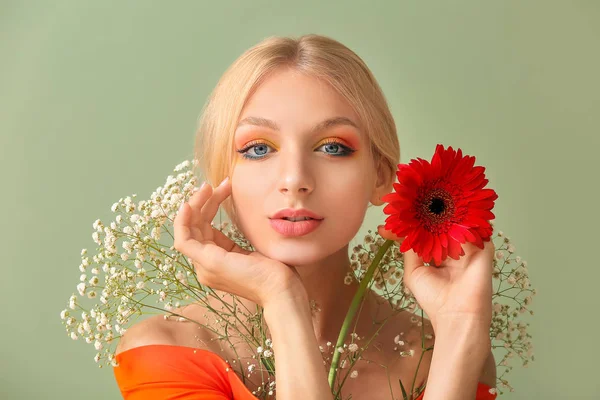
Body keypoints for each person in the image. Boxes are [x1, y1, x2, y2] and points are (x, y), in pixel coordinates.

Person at [112, 34, 498, 400]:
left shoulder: (442, 353)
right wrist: (281, 299)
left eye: (332, 147)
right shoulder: (168, 351)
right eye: (259, 148)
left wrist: (462, 326)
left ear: (381, 176)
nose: (295, 179)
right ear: (222, 176)